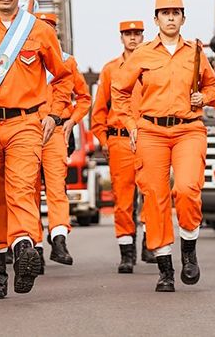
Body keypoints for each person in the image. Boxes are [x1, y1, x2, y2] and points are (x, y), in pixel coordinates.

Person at [112, 0, 215, 293]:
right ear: (155, 20)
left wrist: (206, 97)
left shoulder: (196, 51)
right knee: (155, 199)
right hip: (151, 132)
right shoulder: (143, 54)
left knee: (186, 189)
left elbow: (213, 85)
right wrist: (130, 124)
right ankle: (165, 269)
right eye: (165, 13)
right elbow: (118, 91)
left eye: (176, 13)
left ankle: (188, 251)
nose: (170, 18)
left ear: (183, 18)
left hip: (189, 130)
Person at [0, 0, 72, 300]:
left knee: (21, 189)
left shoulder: (38, 31)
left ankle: (22, 251)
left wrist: (55, 114)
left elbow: (63, 77)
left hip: (26, 123)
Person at [31, 12, 91, 271]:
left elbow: (84, 98)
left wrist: (71, 121)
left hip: (55, 130)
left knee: (57, 187)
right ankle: (33, 247)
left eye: (51, 28)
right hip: (27, 129)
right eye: (42, 27)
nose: (47, 32)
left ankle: (58, 239)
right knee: (28, 190)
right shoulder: (25, 60)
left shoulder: (66, 62)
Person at [90, 20, 146, 273]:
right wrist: (103, 139)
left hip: (149, 137)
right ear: (121, 37)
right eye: (128, 34)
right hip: (121, 140)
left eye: (136, 34)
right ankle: (127, 251)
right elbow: (99, 108)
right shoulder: (111, 69)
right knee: (123, 198)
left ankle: (152, 242)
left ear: (143, 36)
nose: (132, 38)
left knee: (153, 195)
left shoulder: (153, 65)